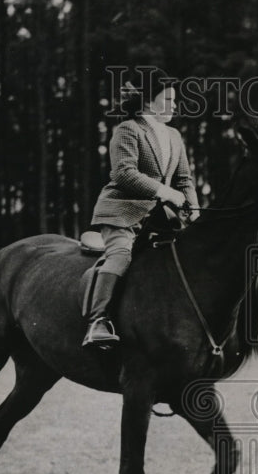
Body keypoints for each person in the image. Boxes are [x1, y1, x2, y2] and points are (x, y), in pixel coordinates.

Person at [83, 74, 199, 349]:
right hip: (122, 212)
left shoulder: (174, 135)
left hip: (161, 217)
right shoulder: (128, 129)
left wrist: (193, 210)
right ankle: (97, 321)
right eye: (168, 99)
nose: (174, 105)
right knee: (121, 256)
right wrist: (165, 192)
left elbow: (184, 180)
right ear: (148, 101)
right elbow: (124, 173)